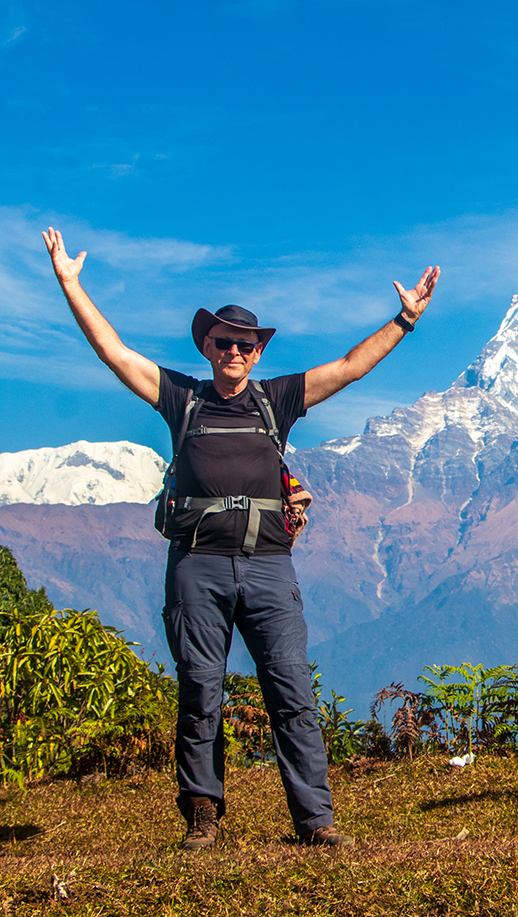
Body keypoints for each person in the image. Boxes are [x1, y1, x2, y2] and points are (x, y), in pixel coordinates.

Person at [42, 226, 439, 850]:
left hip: (267, 567)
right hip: (197, 565)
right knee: (201, 687)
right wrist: (70, 283)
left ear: (257, 355)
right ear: (207, 346)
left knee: (291, 689)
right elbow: (113, 352)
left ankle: (315, 822)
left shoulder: (277, 400)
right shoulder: (182, 398)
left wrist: (404, 321)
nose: (235, 351)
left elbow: (349, 368)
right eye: (225, 342)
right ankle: (203, 815)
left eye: (245, 345)